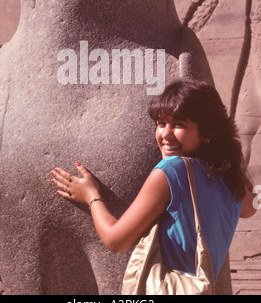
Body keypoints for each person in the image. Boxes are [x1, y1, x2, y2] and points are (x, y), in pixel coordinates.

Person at [50, 80, 257, 284]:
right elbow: (250, 209)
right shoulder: (228, 177)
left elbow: (115, 240)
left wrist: (91, 196)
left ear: (207, 132)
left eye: (179, 125)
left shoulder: (173, 170)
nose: (165, 134)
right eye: (160, 123)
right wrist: (228, 150)